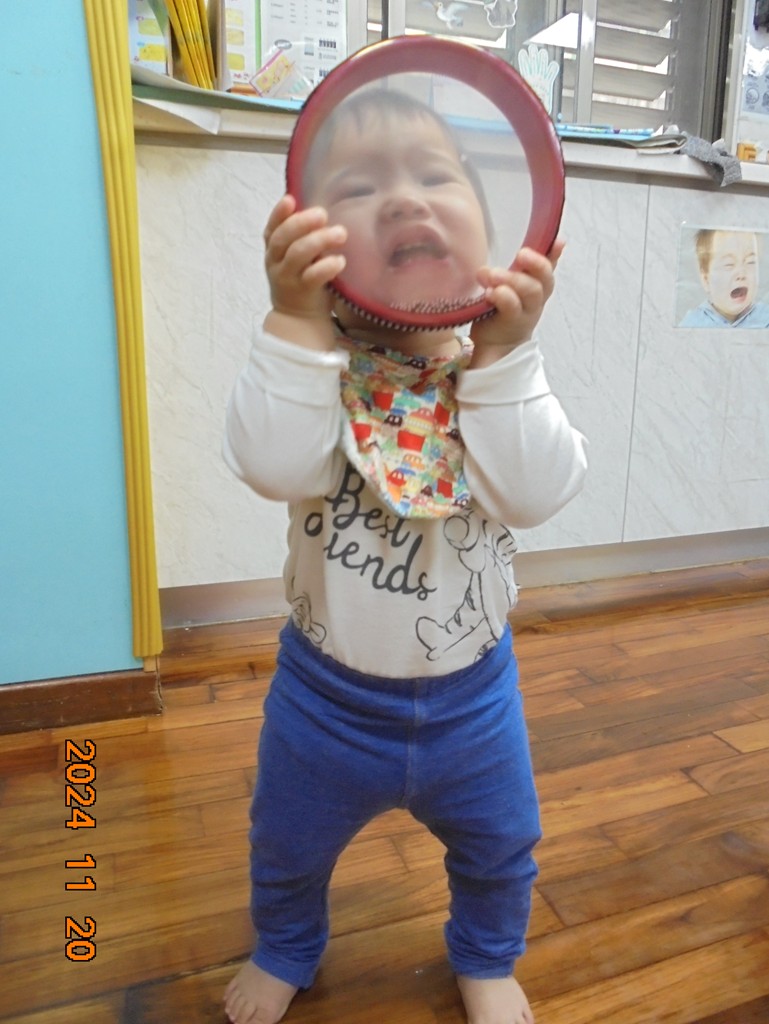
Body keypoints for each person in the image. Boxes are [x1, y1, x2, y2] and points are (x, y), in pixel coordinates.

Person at [222, 88, 588, 1024]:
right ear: (311, 234)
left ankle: (486, 957)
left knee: (501, 848)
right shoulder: (312, 369)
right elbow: (269, 464)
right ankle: (287, 944)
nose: (403, 198)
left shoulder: (496, 374)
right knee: (285, 846)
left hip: (474, 704)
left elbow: (536, 492)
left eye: (435, 175)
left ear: (492, 234)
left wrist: (505, 355)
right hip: (323, 706)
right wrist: (292, 319)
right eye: (357, 186)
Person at [678, 228, 769, 327]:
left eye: (750, 262)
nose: (741, 274)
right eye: (729, 264)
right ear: (706, 280)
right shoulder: (693, 324)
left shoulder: (765, 318)